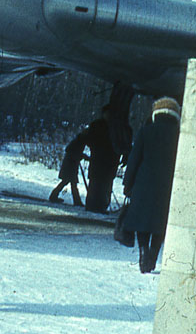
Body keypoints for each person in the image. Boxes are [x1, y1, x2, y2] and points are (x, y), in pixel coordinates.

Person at [122, 97, 182, 273]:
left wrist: (128, 183)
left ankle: (142, 252)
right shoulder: (179, 135)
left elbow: (134, 159)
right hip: (167, 187)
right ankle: (153, 256)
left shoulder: (145, 131)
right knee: (159, 223)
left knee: (143, 221)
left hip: (143, 184)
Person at [68, 106, 122, 213]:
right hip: (98, 159)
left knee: (106, 185)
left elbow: (122, 144)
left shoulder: (117, 127)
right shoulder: (97, 125)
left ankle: (102, 206)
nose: (109, 116)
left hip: (110, 161)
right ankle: (92, 205)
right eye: (107, 113)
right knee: (96, 183)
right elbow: (86, 138)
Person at [48, 138, 85, 206]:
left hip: (70, 165)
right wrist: (81, 156)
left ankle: (53, 196)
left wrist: (82, 156)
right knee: (71, 183)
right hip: (70, 166)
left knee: (67, 182)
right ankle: (77, 201)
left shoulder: (78, 142)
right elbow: (74, 154)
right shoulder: (79, 143)